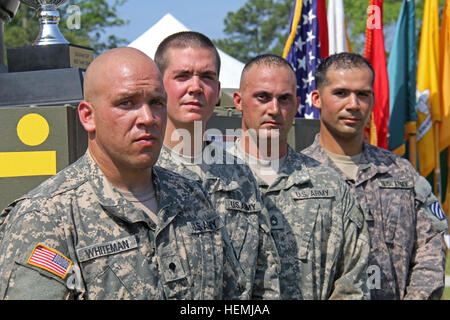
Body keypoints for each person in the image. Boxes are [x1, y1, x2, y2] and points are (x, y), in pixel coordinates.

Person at [0, 47, 243, 300]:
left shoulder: (193, 196)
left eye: (156, 102)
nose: (148, 118)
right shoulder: (47, 218)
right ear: (88, 116)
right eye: (126, 103)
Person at [302, 52, 448, 300]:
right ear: (317, 99)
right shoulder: (296, 176)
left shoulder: (401, 171)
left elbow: (431, 244)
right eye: (341, 93)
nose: (353, 104)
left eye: (363, 94)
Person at [227, 53, 370, 299]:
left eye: (284, 99)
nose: (274, 109)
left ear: (296, 104)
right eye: (262, 97)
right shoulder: (209, 183)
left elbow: (353, 284)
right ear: (239, 101)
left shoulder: (329, 186)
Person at [154, 31, 280, 299]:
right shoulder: (141, 173)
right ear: (159, 86)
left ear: (218, 89)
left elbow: (265, 275)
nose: (196, 87)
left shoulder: (239, 174)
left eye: (207, 77)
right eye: (182, 76)